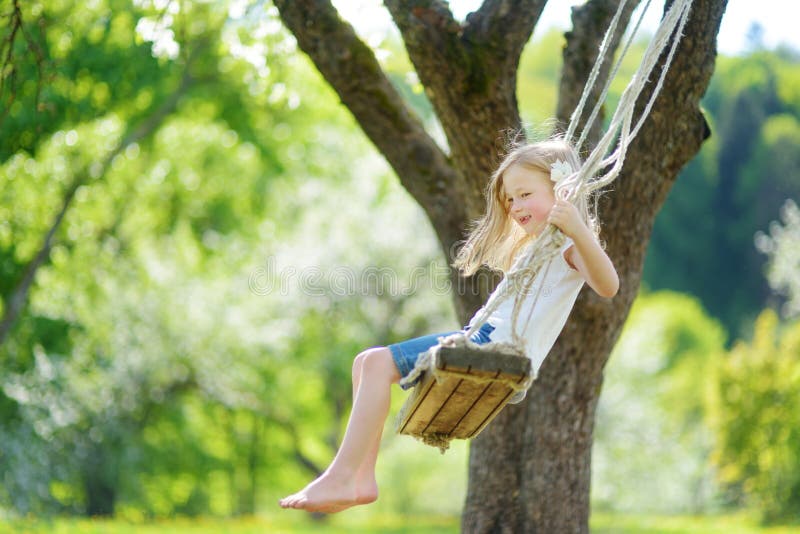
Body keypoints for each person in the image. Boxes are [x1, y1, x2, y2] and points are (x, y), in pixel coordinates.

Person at [278, 137, 619, 514]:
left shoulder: (569, 247)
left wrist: (577, 228)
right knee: (364, 363)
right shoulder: (538, 248)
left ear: (563, 189)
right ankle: (361, 480)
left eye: (525, 194)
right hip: (481, 338)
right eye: (510, 199)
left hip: (494, 346)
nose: (516, 206)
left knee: (376, 364)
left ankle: (340, 476)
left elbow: (608, 286)